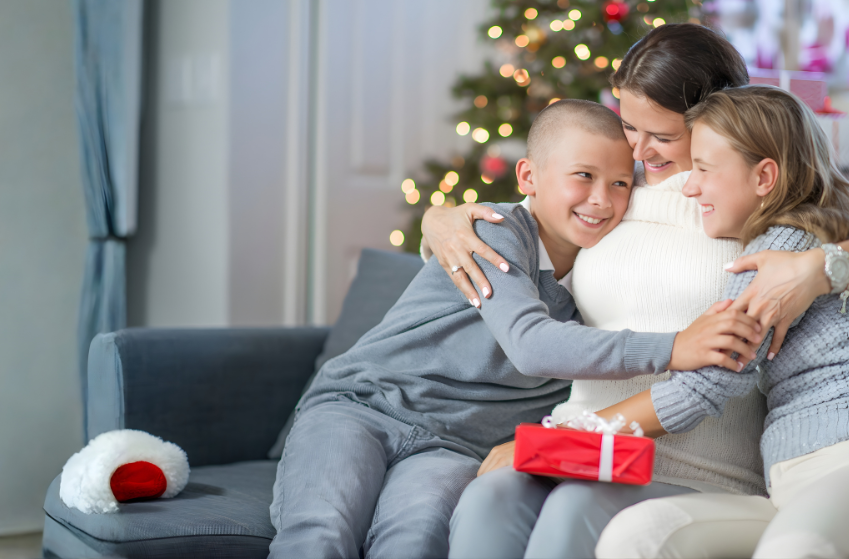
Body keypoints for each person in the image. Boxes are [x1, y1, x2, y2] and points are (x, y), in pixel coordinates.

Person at [439, 25, 849, 558]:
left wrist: (818, 268)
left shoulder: (776, 209)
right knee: (492, 496)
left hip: (700, 467)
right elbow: (507, 235)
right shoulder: (613, 189)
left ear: (719, 119)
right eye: (628, 126)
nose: (638, 151)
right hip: (606, 449)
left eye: (661, 136)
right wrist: (440, 223)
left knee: (579, 507)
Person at [267, 100, 763, 559]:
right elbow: (532, 345)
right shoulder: (494, 232)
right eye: (582, 177)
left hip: (455, 448)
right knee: (321, 531)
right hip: (362, 407)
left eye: (619, 184)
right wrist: (677, 346)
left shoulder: (601, 279)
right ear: (527, 176)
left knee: (415, 539)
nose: (601, 199)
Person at [595, 85, 849, 559]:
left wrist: (550, 442)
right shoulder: (776, 244)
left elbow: (698, 390)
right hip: (789, 485)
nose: (690, 186)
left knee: (797, 549)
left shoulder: (782, 249)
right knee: (639, 535)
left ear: (764, 177)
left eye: (702, 170)